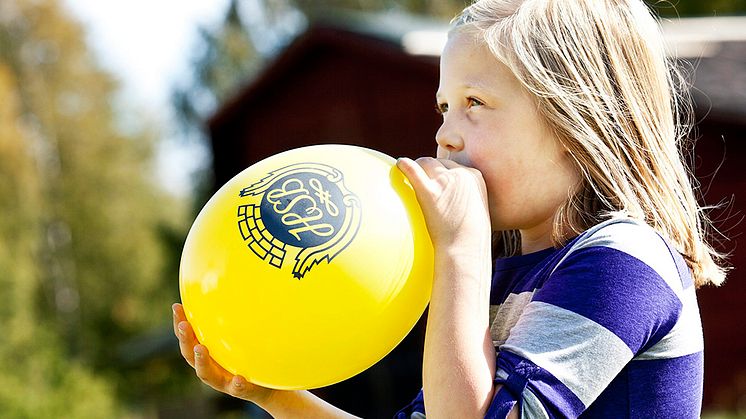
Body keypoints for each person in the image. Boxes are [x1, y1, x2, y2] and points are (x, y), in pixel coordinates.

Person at [172, 0, 728, 417]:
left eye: (475, 105)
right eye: (444, 107)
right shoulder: (506, 279)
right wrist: (276, 394)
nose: (445, 138)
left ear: (575, 123)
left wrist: (460, 252)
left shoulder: (624, 261)